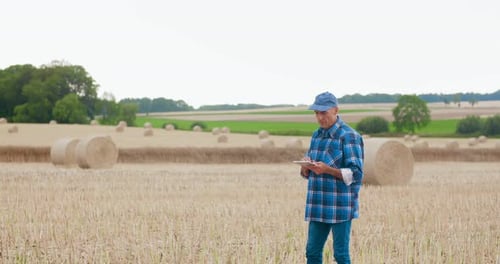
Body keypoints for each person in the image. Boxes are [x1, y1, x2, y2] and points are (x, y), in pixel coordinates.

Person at [299, 91, 364, 264]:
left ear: (335, 110)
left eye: (324, 112)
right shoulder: (316, 136)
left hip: (340, 206)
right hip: (317, 203)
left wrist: (328, 170)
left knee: (340, 255)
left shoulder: (349, 136)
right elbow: (309, 172)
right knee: (311, 253)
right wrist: (306, 168)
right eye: (316, 113)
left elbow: (356, 174)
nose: (320, 117)